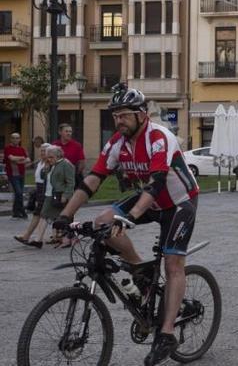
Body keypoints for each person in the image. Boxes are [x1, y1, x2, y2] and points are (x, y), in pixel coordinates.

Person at [53, 83, 200, 366]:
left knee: (172, 264)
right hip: (151, 199)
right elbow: (93, 179)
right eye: (115, 115)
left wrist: (130, 218)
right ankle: (139, 269)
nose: (118, 120)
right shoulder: (118, 143)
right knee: (101, 221)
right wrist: (65, 216)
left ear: (142, 115)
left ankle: (167, 334)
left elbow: (156, 183)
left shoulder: (159, 137)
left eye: (124, 115)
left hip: (180, 202)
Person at [38, 146, 76, 247]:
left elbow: (71, 182)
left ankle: (67, 238)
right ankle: (47, 238)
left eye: (51, 157)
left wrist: (66, 195)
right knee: (50, 216)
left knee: (64, 218)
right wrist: (46, 168)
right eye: (47, 157)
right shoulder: (52, 164)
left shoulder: (66, 164)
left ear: (58, 155)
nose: (49, 159)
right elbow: (44, 177)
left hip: (61, 194)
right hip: (51, 194)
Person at [14, 144, 51, 247]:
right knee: (40, 214)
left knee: (39, 214)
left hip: (45, 191)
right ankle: (33, 237)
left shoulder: (49, 164)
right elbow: (26, 165)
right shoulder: (40, 162)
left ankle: (30, 236)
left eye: (45, 151)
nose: (43, 153)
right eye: (42, 150)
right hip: (39, 190)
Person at [4, 132, 30, 219]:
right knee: (19, 192)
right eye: (13, 138)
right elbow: (11, 158)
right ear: (11, 139)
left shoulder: (22, 149)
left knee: (18, 193)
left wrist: (18, 160)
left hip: (21, 174)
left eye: (17, 138)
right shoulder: (7, 148)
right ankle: (22, 211)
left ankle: (15, 212)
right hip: (12, 174)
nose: (15, 139)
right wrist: (21, 159)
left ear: (20, 139)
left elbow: (28, 159)